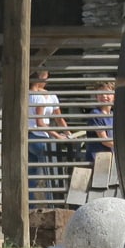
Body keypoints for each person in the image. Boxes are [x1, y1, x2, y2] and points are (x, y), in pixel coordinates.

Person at [29, 68, 73, 198]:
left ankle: (29, 207)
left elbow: (59, 118)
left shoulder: (46, 96)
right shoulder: (38, 98)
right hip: (40, 137)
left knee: (31, 176)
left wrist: (68, 133)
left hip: (30, 137)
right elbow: (40, 123)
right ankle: (52, 203)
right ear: (41, 77)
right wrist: (58, 136)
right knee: (51, 174)